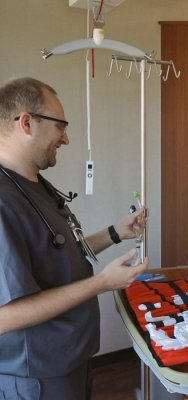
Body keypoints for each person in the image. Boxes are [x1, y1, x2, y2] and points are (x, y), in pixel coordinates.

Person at [0, 77, 149, 400]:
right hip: (37, 374)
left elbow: (60, 249)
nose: (65, 139)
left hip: (70, 357)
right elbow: (5, 316)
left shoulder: (35, 184)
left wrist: (115, 232)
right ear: (27, 123)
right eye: (60, 127)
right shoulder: (4, 201)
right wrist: (102, 283)